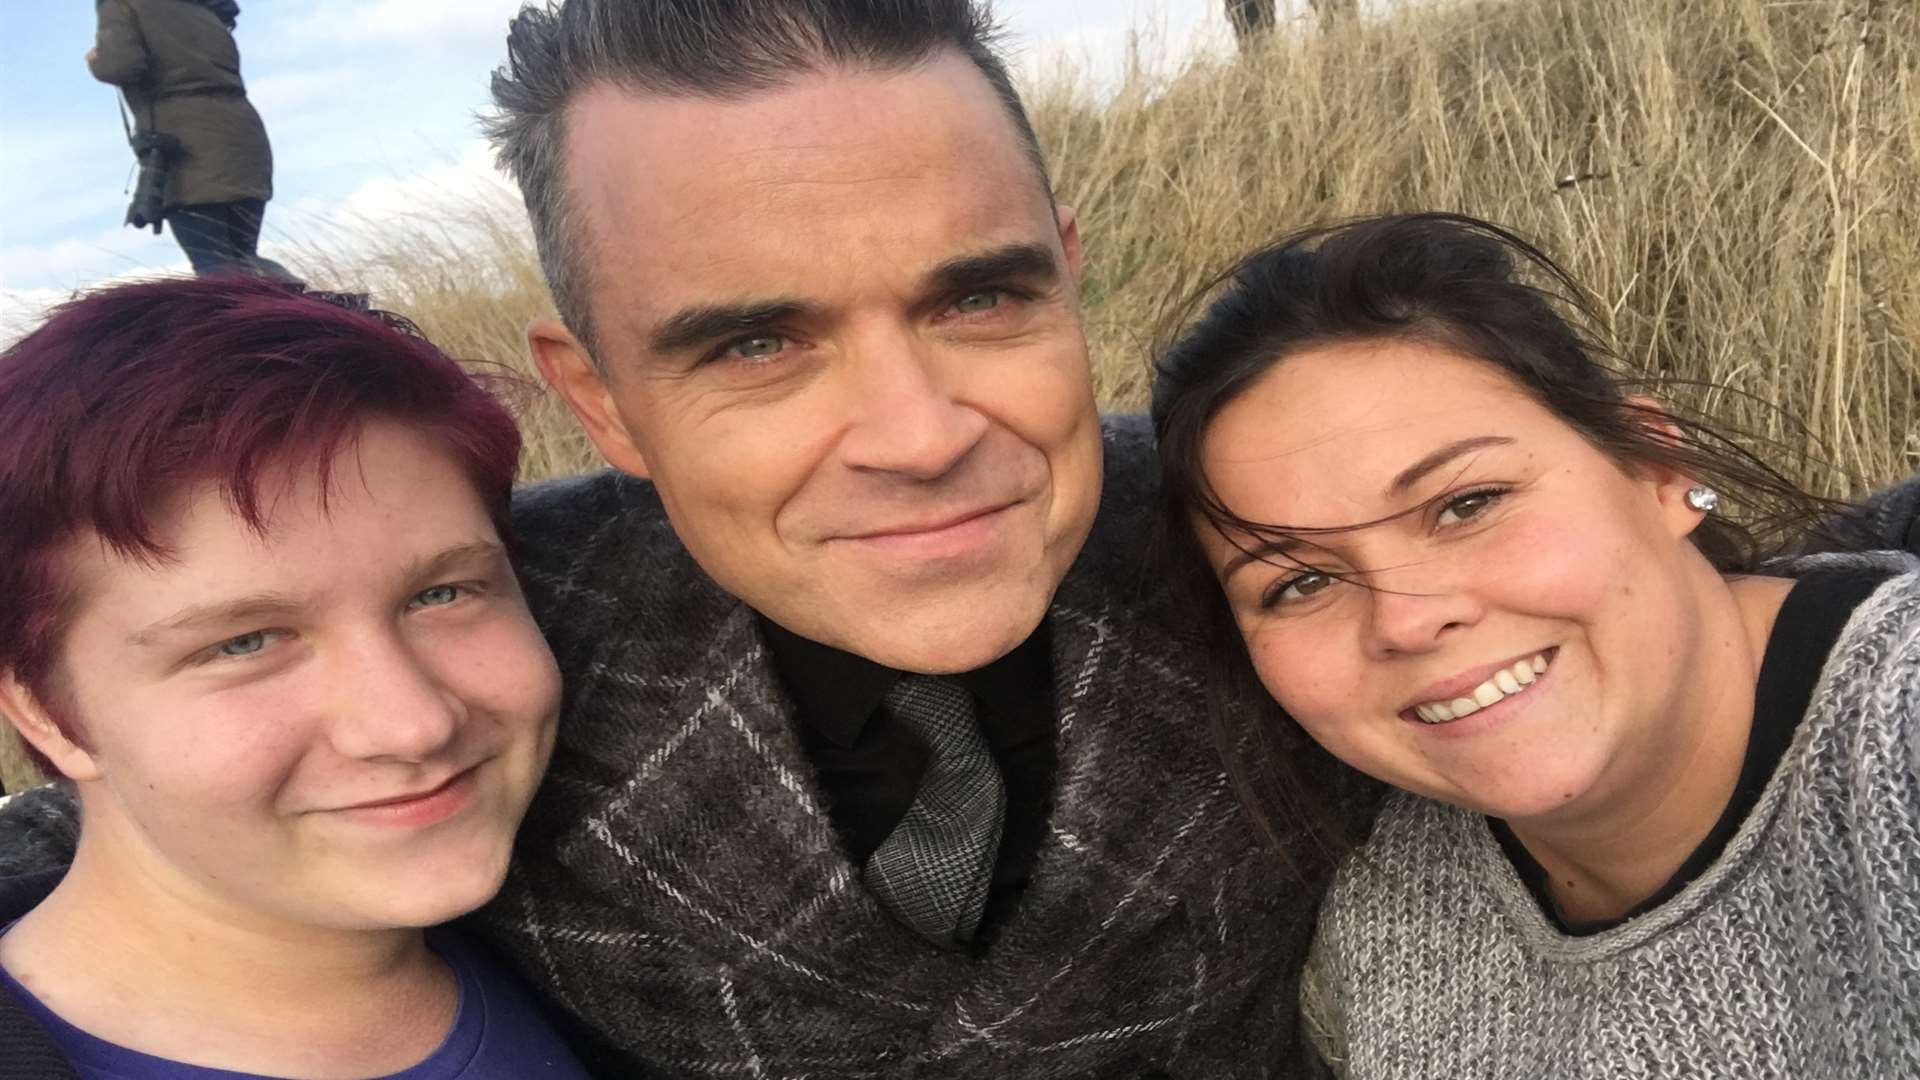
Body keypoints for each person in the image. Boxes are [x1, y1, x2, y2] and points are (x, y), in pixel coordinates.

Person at [3, 1, 1356, 1076]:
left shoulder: (1272, 537)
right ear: (598, 400)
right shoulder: (490, 628)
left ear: (1064, 275)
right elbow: (137, 793)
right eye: (759, 342)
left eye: (979, 300)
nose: (919, 433)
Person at [1150, 212, 1920, 1077]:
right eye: (1302, 583)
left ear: (1655, 472)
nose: (1406, 620)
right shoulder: (1381, 927)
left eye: (1466, 504)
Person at [0, 277, 593, 1078]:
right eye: (245, 643)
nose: (412, 724)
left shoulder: (609, 957)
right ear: (42, 713)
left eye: (441, 594)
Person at [87, 0, 288, 278]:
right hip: (244, 138)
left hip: (185, 147)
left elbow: (120, 66)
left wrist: (97, 60)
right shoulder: (206, 8)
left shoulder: (123, 4)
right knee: (245, 260)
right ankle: (298, 312)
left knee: (217, 271)